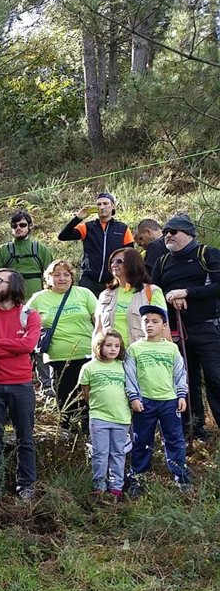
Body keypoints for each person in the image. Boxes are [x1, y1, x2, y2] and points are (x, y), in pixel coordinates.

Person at [0, 269, 42, 500]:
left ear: (14, 286)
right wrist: (11, 344)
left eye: (0, 281)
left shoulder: (29, 315)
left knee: (26, 437)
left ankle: (27, 485)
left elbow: (28, 346)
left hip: (21, 385)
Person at [151, 213, 220, 439]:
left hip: (209, 327)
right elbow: (155, 293)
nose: (168, 236)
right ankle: (194, 429)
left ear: (189, 234)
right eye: (165, 232)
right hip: (177, 332)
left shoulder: (207, 254)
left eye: (173, 231)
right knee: (186, 381)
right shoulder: (162, 262)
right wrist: (171, 297)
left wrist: (188, 293)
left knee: (215, 377)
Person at [124, 304, 191, 496]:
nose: (150, 325)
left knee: (174, 440)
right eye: (146, 321)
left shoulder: (171, 348)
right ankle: (139, 477)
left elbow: (180, 373)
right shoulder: (134, 349)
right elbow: (130, 376)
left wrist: (181, 395)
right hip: (144, 402)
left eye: (155, 321)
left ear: (164, 325)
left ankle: (182, 479)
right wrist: (134, 397)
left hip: (170, 402)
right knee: (142, 440)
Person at [28, 260, 98, 431]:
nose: (62, 278)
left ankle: (90, 437)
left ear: (72, 277)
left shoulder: (84, 294)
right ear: (48, 279)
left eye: (66, 275)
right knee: (65, 400)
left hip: (87, 356)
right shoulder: (39, 299)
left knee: (89, 398)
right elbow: (24, 323)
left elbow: (99, 322)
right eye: (57, 275)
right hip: (59, 358)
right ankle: (68, 439)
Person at [81, 332, 131, 500]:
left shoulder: (123, 366)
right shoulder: (89, 367)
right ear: (100, 346)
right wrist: (97, 408)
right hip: (99, 417)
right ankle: (99, 487)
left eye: (117, 346)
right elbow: (86, 393)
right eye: (109, 345)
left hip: (122, 418)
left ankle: (117, 487)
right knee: (100, 453)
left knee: (118, 453)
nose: (113, 349)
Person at [59, 192, 134, 294]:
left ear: (113, 206)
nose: (102, 207)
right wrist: (78, 218)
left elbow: (130, 254)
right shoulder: (87, 227)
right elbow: (63, 236)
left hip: (113, 280)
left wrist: (125, 278)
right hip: (89, 281)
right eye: (99, 204)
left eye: (105, 203)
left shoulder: (122, 228)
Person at [95, 247, 165, 346]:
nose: (114, 264)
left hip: (142, 354)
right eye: (112, 261)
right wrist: (96, 354)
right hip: (112, 357)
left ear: (132, 264)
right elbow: (98, 329)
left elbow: (163, 328)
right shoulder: (105, 295)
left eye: (119, 261)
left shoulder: (152, 291)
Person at [0, 211, 54, 300]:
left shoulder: (41, 249)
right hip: (10, 301)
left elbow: (52, 276)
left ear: (30, 226)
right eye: (14, 226)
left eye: (22, 225)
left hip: (38, 301)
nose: (18, 228)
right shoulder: (2, 251)